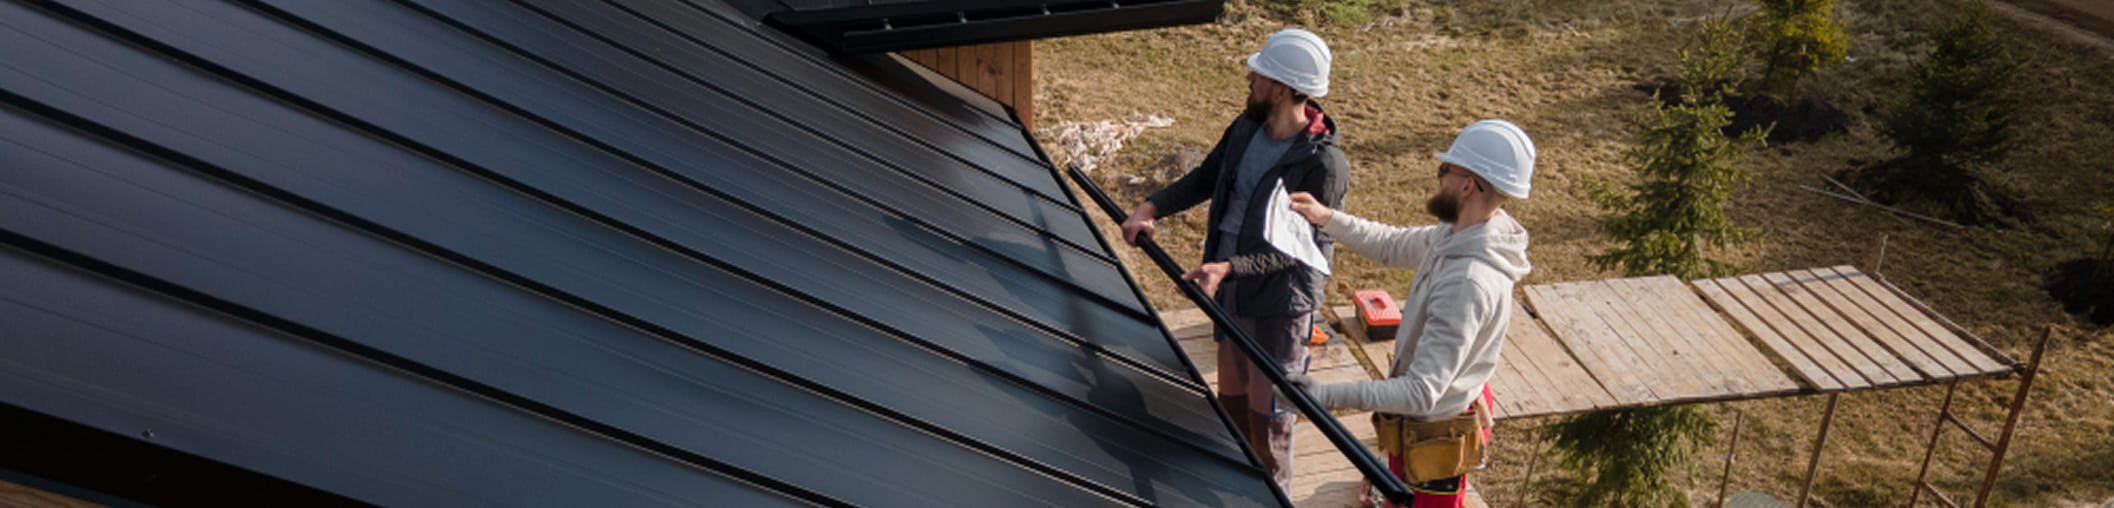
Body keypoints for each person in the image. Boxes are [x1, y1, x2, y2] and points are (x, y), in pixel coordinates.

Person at [1118, 28, 1348, 491]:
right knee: (1233, 413)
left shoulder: (1322, 165)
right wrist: (1150, 207)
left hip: (1280, 306)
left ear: (1281, 89)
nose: (1249, 77)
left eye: (1258, 74)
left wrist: (1229, 267)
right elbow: (1207, 177)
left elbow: (1295, 250)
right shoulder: (1246, 129)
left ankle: (1273, 498)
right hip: (1229, 292)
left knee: (1271, 427)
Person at [1284, 119, 1535, 508]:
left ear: (1467, 185)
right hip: (1424, 422)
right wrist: (1326, 217)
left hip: (1434, 436)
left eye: (1444, 171)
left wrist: (1325, 396)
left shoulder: (1467, 282)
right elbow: (1392, 244)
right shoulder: (1460, 233)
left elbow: (1420, 392)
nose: (1439, 180)